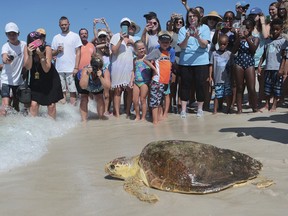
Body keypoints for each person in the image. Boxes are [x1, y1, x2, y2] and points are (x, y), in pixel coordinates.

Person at [177, 8, 211, 118]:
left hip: (201, 61)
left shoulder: (205, 28)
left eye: (194, 16)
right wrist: (187, 37)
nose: (192, 18)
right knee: (185, 85)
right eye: (190, 16)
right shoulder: (183, 29)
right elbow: (182, 46)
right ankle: (183, 109)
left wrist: (197, 37)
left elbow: (204, 45)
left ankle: (200, 109)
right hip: (185, 62)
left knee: (200, 85)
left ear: (198, 17)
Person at [25, 31, 63, 119]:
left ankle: (52, 127)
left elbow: (46, 69)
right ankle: (33, 128)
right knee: (34, 104)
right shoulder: (26, 48)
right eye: (33, 42)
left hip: (50, 78)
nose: (36, 44)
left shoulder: (47, 48)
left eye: (38, 41)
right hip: (36, 79)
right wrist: (30, 54)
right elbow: (28, 67)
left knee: (51, 105)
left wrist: (41, 55)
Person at [258, 18, 288, 112]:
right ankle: (267, 104)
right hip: (267, 68)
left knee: (277, 88)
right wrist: (259, 65)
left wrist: (281, 68)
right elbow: (263, 55)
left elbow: (284, 57)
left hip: (277, 68)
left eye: (277, 29)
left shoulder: (283, 42)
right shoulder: (267, 41)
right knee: (267, 88)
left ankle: (274, 105)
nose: (274, 31)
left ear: (281, 30)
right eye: (273, 29)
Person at [51, 16, 82, 105]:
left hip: (71, 69)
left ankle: (72, 111)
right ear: (59, 25)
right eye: (62, 25)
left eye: (65, 24)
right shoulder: (56, 37)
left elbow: (78, 52)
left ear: (69, 24)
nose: (64, 26)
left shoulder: (75, 36)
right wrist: (57, 51)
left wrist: (76, 67)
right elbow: (52, 53)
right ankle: (65, 113)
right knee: (61, 91)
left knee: (72, 91)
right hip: (59, 69)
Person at [143, 31, 173, 125]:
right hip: (157, 81)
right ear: (159, 42)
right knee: (154, 102)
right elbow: (145, 59)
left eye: (167, 42)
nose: (165, 44)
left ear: (169, 43)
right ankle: (155, 122)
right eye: (163, 42)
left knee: (159, 101)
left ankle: (158, 119)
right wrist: (154, 69)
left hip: (164, 81)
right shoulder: (157, 51)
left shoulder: (167, 52)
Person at [232, 18, 260, 113]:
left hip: (249, 63)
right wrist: (239, 38)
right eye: (244, 27)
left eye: (248, 28)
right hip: (239, 63)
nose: (246, 30)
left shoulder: (255, 39)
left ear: (252, 28)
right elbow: (234, 51)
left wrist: (247, 37)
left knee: (251, 88)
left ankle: (255, 107)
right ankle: (239, 109)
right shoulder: (240, 39)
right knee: (239, 87)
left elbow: (253, 50)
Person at [110, 17, 135, 117]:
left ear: (129, 27)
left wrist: (133, 44)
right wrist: (120, 40)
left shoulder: (132, 38)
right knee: (117, 90)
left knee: (129, 89)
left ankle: (128, 111)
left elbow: (138, 53)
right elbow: (114, 51)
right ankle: (117, 113)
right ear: (121, 26)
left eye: (127, 25)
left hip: (129, 67)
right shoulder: (115, 36)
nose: (126, 26)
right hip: (117, 67)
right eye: (124, 25)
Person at [1, 22, 28, 114]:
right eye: (9, 34)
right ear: (6, 35)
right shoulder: (5, 46)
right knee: (5, 105)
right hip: (6, 80)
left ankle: (14, 125)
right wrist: (6, 60)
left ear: (18, 34)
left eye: (14, 34)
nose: (12, 36)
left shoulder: (24, 44)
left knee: (16, 105)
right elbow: (4, 57)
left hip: (18, 81)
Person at [75, 55, 110, 121]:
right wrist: (88, 74)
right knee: (84, 98)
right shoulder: (85, 70)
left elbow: (107, 87)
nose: (96, 69)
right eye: (95, 67)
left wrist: (101, 77)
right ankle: (84, 120)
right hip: (83, 82)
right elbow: (83, 86)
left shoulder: (105, 71)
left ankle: (101, 117)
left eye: (98, 67)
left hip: (97, 84)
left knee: (99, 97)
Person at [209, 35, 233, 114]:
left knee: (228, 94)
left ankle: (228, 109)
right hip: (217, 78)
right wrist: (210, 76)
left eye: (224, 44)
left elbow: (232, 67)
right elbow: (211, 66)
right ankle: (215, 110)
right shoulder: (214, 53)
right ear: (218, 43)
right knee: (217, 94)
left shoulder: (229, 54)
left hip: (227, 79)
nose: (222, 46)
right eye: (221, 44)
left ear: (227, 44)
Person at [131, 40, 152, 121]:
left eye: (143, 48)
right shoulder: (135, 60)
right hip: (136, 82)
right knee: (135, 100)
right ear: (136, 51)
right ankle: (137, 115)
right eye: (139, 49)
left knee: (143, 99)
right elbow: (133, 71)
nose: (142, 50)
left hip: (145, 82)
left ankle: (143, 117)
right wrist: (131, 81)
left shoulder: (148, 58)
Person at [96, 30, 112, 116]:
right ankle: (100, 110)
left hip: (108, 71)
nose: (102, 38)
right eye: (100, 37)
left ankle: (106, 110)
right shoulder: (97, 47)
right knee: (99, 94)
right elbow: (98, 47)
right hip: (100, 71)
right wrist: (106, 44)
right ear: (98, 38)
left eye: (104, 36)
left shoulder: (110, 47)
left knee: (107, 92)